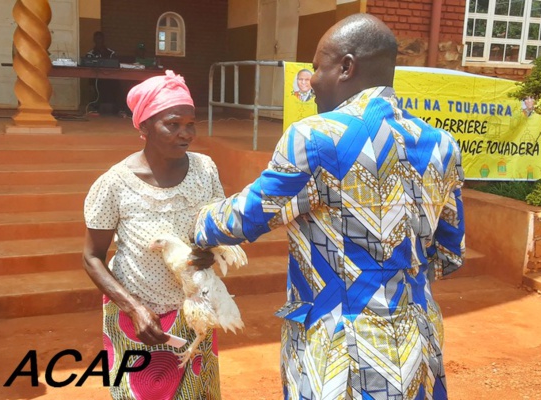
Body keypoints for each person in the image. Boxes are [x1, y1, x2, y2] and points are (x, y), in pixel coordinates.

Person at [194, 13, 465, 399]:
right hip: (418, 340)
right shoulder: (443, 145)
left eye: (317, 68)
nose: (312, 81)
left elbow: (249, 215)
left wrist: (198, 223)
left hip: (342, 349)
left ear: (346, 67)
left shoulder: (317, 138)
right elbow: (450, 253)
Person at [83, 70, 224, 399]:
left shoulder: (205, 170)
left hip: (194, 313)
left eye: (191, 124)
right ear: (144, 126)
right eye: (172, 124)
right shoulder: (115, 183)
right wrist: (135, 309)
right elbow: (92, 257)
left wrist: (211, 250)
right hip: (137, 321)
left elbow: (216, 227)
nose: (185, 134)